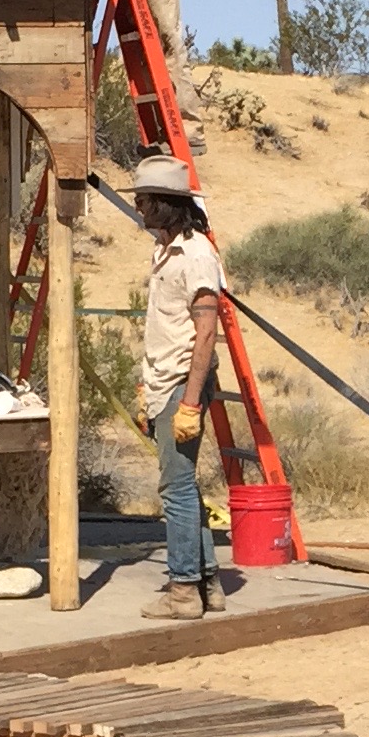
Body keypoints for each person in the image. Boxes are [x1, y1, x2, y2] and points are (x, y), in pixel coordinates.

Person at [127, 159, 231, 618]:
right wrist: (145, 383)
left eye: (145, 200)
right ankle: (208, 585)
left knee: (175, 489)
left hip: (180, 383)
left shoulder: (195, 255)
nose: (139, 207)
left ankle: (184, 589)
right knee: (184, 485)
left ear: (166, 205)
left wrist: (188, 402)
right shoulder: (165, 251)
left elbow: (205, 332)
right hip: (164, 379)